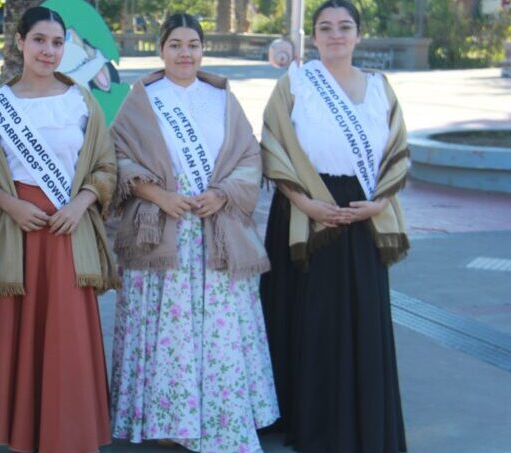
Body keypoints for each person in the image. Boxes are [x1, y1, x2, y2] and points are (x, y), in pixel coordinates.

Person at [109, 13, 279, 453]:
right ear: (160, 49)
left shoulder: (221, 98)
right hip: (162, 229)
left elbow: (249, 157)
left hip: (213, 228)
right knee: (166, 326)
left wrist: (222, 195)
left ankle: (220, 416)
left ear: (203, 50)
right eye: (176, 44)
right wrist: (158, 196)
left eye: (193, 45)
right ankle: (165, 419)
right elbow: (118, 158)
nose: (185, 53)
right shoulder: (142, 99)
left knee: (217, 328)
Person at [0, 6, 117, 453]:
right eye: (40, 40)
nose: (49, 50)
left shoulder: (81, 101)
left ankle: (65, 430)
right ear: (21, 43)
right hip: (14, 233)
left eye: (57, 42)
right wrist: (11, 205)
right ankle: (19, 432)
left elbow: (106, 166)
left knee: (64, 331)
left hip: (67, 230)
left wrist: (81, 204)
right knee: (11, 333)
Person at [259, 1, 410, 451]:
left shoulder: (381, 87)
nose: (335, 35)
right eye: (326, 28)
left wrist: (376, 204)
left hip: (363, 212)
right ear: (315, 36)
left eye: (345, 27)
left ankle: (360, 421)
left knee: (360, 318)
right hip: (305, 211)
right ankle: (311, 421)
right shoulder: (295, 83)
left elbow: (398, 150)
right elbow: (272, 143)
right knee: (312, 319)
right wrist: (306, 202)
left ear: (359, 35)